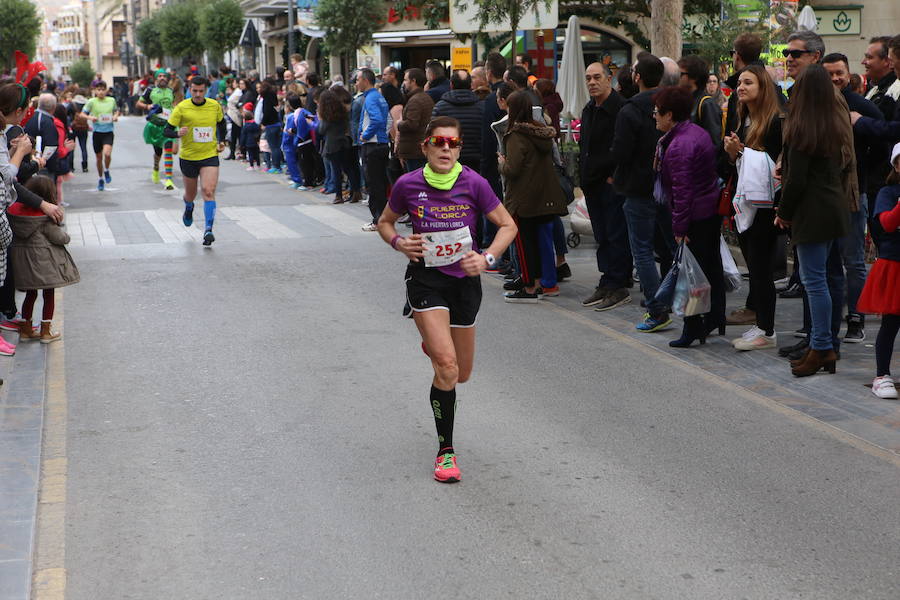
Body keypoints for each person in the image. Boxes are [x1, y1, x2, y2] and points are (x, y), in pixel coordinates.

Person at [376, 115, 517, 483]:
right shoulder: (409, 184)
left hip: (464, 284)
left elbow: (508, 225)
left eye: (453, 144)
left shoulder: (474, 183)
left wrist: (486, 258)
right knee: (448, 367)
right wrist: (398, 242)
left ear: (459, 148)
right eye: (438, 142)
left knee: (463, 373)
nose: (445, 149)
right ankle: (446, 452)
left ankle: (437, 346)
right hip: (426, 281)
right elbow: (385, 221)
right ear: (425, 146)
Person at [775, 64, 856, 377]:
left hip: (813, 212)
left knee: (815, 282)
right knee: (823, 279)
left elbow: (796, 181)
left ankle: (821, 346)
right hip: (832, 208)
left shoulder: (801, 129)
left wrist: (783, 212)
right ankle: (823, 347)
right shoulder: (831, 127)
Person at [652, 85, 725, 347]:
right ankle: (715, 316)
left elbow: (682, 193)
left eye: (658, 112)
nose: (655, 116)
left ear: (670, 115)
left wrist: (679, 228)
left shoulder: (679, 145)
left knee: (692, 274)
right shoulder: (695, 133)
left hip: (696, 216)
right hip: (708, 210)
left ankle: (693, 326)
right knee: (710, 268)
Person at [822, 52, 883, 344]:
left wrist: (868, 180)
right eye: (829, 73)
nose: (835, 78)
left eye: (840, 73)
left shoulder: (862, 107)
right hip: (823, 195)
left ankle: (856, 318)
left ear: (849, 74)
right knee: (830, 260)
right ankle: (830, 321)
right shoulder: (815, 106)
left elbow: (884, 142)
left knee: (854, 259)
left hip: (854, 195)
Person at [722, 65, 784, 350]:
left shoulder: (774, 121)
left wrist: (740, 153)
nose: (741, 87)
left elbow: (773, 163)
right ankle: (761, 325)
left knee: (760, 267)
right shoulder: (741, 118)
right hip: (744, 202)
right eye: (740, 84)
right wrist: (733, 154)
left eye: (748, 83)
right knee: (753, 265)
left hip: (765, 205)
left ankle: (767, 330)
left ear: (763, 87)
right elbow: (730, 164)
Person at [613, 54, 675, 332]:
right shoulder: (672, 103)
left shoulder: (630, 111)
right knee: (672, 248)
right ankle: (675, 299)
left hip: (639, 188)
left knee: (643, 251)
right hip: (669, 185)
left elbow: (622, 152)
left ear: (637, 77)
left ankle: (657, 307)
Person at [499, 91, 568, 302]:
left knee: (525, 243)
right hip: (545, 196)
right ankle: (541, 283)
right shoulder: (542, 133)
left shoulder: (516, 135)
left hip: (524, 199)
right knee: (541, 243)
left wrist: (502, 163)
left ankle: (529, 287)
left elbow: (513, 169)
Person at [578, 62, 632, 311]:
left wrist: (615, 175)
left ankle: (619, 283)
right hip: (591, 183)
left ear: (609, 79)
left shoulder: (620, 108)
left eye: (597, 77)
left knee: (615, 233)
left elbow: (624, 147)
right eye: (588, 78)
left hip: (611, 183)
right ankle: (607, 280)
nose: (592, 82)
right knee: (601, 235)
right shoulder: (589, 109)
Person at [8, 175, 78, 344]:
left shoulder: (14, 213)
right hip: (44, 263)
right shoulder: (45, 215)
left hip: (23, 263)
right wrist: (66, 236)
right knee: (48, 294)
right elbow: (59, 238)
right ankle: (46, 331)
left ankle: (26, 330)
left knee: (30, 295)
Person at [857, 143, 900, 399]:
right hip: (894, 264)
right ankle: (882, 375)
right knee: (891, 322)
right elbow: (885, 223)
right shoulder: (888, 192)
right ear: (896, 165)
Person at [163, 76, 225, 246]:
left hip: (209, 156)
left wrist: (222, 142)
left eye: (201, 91)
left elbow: (222, 124)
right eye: (194, 91)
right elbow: (166, 131)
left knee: (208, 191)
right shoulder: (182, 108)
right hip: (188, 158)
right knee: (191, 195)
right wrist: (177, 134)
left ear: (206, 90)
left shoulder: (214, 106)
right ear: (190, 89)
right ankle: (189, 207)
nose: (198, 94)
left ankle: (208, 230)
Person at [356, 68, 390, 231]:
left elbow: (376, 120)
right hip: (381, 144)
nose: (356, 83)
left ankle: (378, 220)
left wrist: (365, 136)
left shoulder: (370, 98)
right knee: (381, 184)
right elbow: (388, 120)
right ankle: (383, 219)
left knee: (373, 184)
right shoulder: (379, 97)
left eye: (357, 80)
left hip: (372, 146)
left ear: (364, 80)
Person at [431, 70, 483, 172]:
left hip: (449, 157)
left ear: (451, 85)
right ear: (470, 85)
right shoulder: (482, 107)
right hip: (476, 160)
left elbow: (432, 133)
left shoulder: (440, 107)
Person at [317, 89, 361, 204]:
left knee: (336, 171)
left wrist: (319, 118)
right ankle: (356, 191)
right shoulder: (342, 112)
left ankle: (338, 196)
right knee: (348, 168)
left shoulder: (326, 116)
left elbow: (321, 130)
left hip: (332, 145)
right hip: (344, 143)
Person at [136, 71, 178, 191]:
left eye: (164, 76)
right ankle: (155, 168)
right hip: (155, 125)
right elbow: (138, 103)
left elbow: (173, 105)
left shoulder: (171, 91)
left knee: (169, 149)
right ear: (156, 79)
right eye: (160, 76)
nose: (162, 78)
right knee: (158, 153)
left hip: (168, 125)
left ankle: (168, 178)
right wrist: (148, 107)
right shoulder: (150, 90)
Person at [677, 54, 723, 145]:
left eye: (681, 74)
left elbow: (713, 143)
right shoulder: (685, 101)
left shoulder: (707, 104)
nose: (677, 77)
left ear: (694, 77)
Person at [82, 81, 119, 191]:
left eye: (103, 89)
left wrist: (115, 117)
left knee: (107, 154)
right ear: (95, 91)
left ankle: (106, 170)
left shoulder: (111, 100)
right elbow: (82, 114)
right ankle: (100, 178)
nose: (101, 92)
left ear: (106, 90)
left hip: (108, 132)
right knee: (99, 158)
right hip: (97, 133)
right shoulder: (91, 102)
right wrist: (90, 118)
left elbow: (116, 111)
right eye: (98, 90)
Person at [396, 68, 433, 173]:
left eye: (406, 80)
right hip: (419, 149)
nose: (404, 83)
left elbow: (412, 124)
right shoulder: (424, 97)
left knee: (415, 182)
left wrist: (399, 124)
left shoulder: (415, 100)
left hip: (414, 150)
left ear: (414, 81)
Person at [258, 79, 283, 173]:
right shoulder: (273, 96)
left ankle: (276, 166)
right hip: (276, 124)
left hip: (270, 125)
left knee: (273, 147)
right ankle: (278, 165)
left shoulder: (266, 99)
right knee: (277, 146)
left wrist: (263, 123)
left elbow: (267, 112)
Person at [70, 93, 89, 173]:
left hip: (73, 128)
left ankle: (71, 166)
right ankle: (85, 166)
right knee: (83, 147)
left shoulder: (71, 106)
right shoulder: (85, 108)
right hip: (83, 128)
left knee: (71, 148)